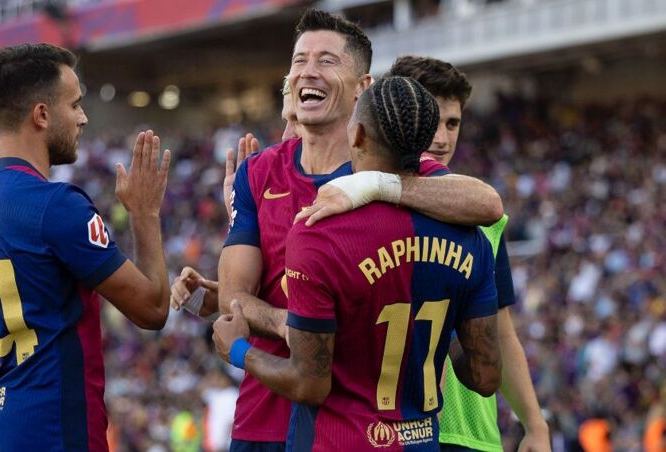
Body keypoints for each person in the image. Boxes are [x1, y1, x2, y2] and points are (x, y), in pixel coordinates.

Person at [181, 9, 503, 451]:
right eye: (299, 60)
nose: (308, 70)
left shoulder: (400, 169)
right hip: (265, 417)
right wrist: (289, 323)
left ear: (361, 87)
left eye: (327, 60)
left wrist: (372, 185)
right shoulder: (259, 172)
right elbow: (234, 300)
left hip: (326, 425)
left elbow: (487, 203)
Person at [0, 43, 171, 451]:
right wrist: (145, 213)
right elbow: (153, 308)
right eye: (75, 104)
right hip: (56, 435)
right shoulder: (56, 205)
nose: (83, 117)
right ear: (42, 115)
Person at [382, 56, 550, 452]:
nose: (442, 138)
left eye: (453, 123)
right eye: (432, 121)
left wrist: (534, 424)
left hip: (474, 434)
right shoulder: (365, 209)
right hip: (392, 433)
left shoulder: (484, 219)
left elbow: (501, 332)